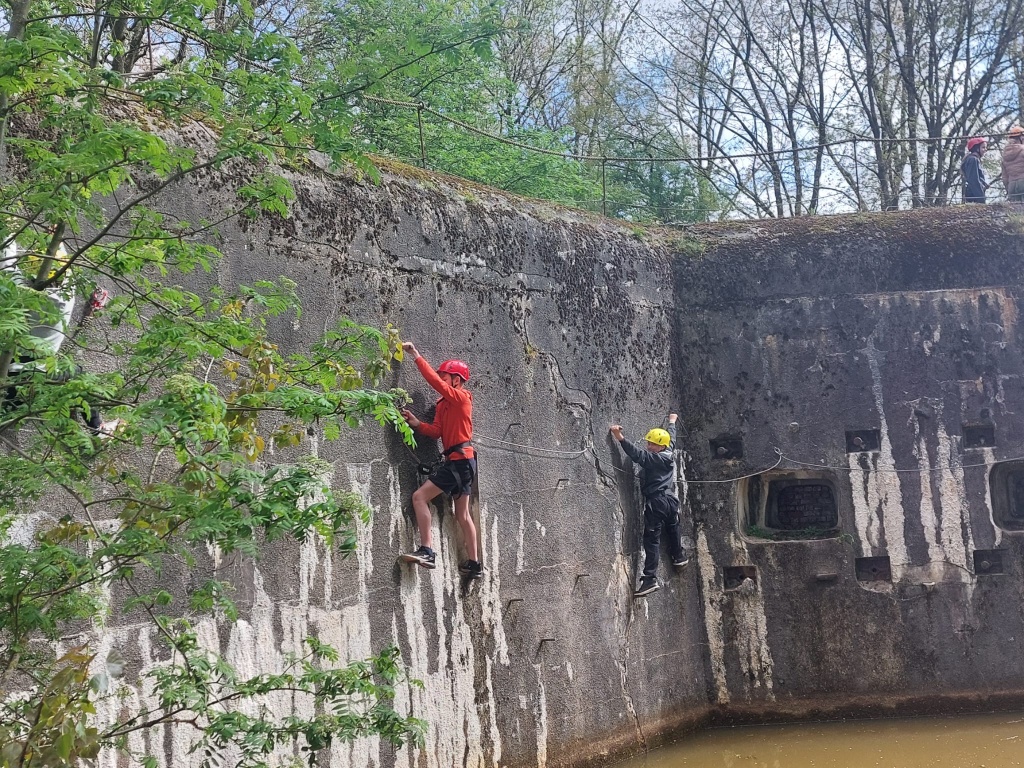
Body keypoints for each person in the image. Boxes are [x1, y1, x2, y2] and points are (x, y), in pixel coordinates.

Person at [0, 238, 118, 436]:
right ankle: (97, 428)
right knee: (77, 374)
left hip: (6, 366)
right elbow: (66, 267)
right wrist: (57, 238)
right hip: (32, 379)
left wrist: (10, 231)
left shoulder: (18, 288)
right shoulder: (65, 297)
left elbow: (6, 259)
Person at [398, 341, 481, 578]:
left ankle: (427, 551)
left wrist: (415, 355)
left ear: (456, 379)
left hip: (459, 461)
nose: (441, 380)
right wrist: (416, 423)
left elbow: (434, 382)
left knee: (419, 497)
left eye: (445, 377)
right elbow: (436, 431)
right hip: (462, 463)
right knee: (462, 515)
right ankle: (474, 565)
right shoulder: (444, 405)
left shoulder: (461, 397)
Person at [610, 413, 688, 597]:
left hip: (657, 502)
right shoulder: (669, 450)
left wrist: (618, 436)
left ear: (661, 446)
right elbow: (672, 437)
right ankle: (679, 556)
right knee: (673, 526)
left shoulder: (656, 458)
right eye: (649, 443)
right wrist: (672, 422)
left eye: (652, 444)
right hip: (670, 500)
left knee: (652, 540)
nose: (648, 446)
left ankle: (650, 579)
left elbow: (637, 455)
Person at [1002, 126, 1024, 203]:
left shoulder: (1005, 154)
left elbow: (1004, 177)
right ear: (1021, 138)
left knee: (1015, 212)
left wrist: (1008, 189)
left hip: (1012, 186)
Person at [962, 137, 988, 204]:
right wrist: (981, 198)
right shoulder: (973, 160)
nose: (985, 150)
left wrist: (984, 183)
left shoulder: (974, 159)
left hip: (973, 193)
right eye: (983, 147)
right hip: (974, 194)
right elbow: (974, 180)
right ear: (976, 148)